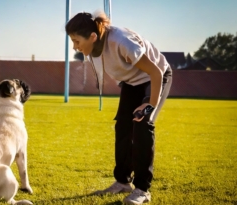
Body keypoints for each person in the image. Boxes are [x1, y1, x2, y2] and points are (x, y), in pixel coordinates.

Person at [65, 11, 172, 205]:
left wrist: (149, 106)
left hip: (155, 78)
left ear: (93, 37)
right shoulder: (91, 50)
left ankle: (142, 190)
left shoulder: (122, 42)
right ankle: (122, 182)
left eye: (76, 41)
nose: (75, 47)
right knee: (122, 127)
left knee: (142, 123)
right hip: (131, 82)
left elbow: (155, 73)